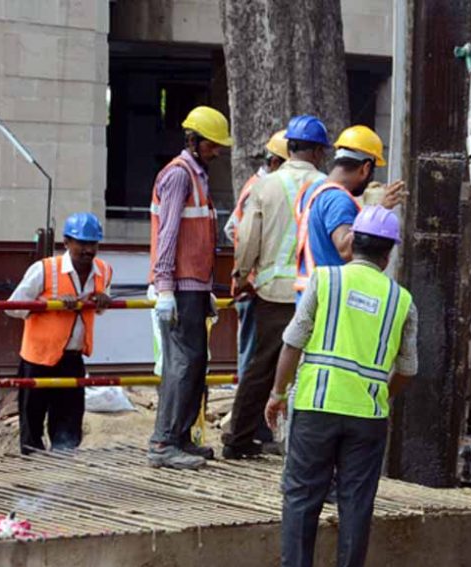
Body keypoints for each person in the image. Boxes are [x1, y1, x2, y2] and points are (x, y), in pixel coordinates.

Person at [265, 206, 418, 567]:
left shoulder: (326, 280)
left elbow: (293, 342)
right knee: (357, 503)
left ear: (353, 244)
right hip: (368, 417)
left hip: (316, 407)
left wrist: (277, 394)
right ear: (389, 253)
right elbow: (409, 368)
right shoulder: (402, 300)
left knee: (302, 498)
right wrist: (381, 394)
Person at [222, 116, 332, 459]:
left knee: (261, 366)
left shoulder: (264, 186)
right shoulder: (327, 186)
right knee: (311, 368)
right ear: (316, 151)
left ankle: (238, 439)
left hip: (271, 291)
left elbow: (247, 237)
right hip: (313, 292)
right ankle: (304, 448)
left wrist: (241, 277)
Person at [147, 105, 232, 470]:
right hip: (179, 288)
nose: (217, 151)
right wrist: (166, 287)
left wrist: (203, 288)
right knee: (182, 365)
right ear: (194, 142)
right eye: (212, 144)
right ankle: (164, 441)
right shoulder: (179, 176)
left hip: (192, 287)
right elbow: (168, 236)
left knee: (194, 365)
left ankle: (180, 437)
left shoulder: (196, 176)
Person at [8, 212, 113, 454]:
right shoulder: (44, 270)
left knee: (69, 424)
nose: (88, 250)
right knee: (32, 424)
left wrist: (101, 303)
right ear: (66, 243)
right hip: (38, 359)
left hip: (73, 358)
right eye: (82, 243)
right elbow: (13, 308)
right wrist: (50, 305)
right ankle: (33, 473)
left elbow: (96, 313)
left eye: (93, 244)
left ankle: (62, 470)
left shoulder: (104, 271)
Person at [293, 125, 406, 300]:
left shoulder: (315, 189)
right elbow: (346, 249)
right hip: (329, 299)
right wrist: (378, 211)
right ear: (366, 168)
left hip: (312, 296)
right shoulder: (338, 199)